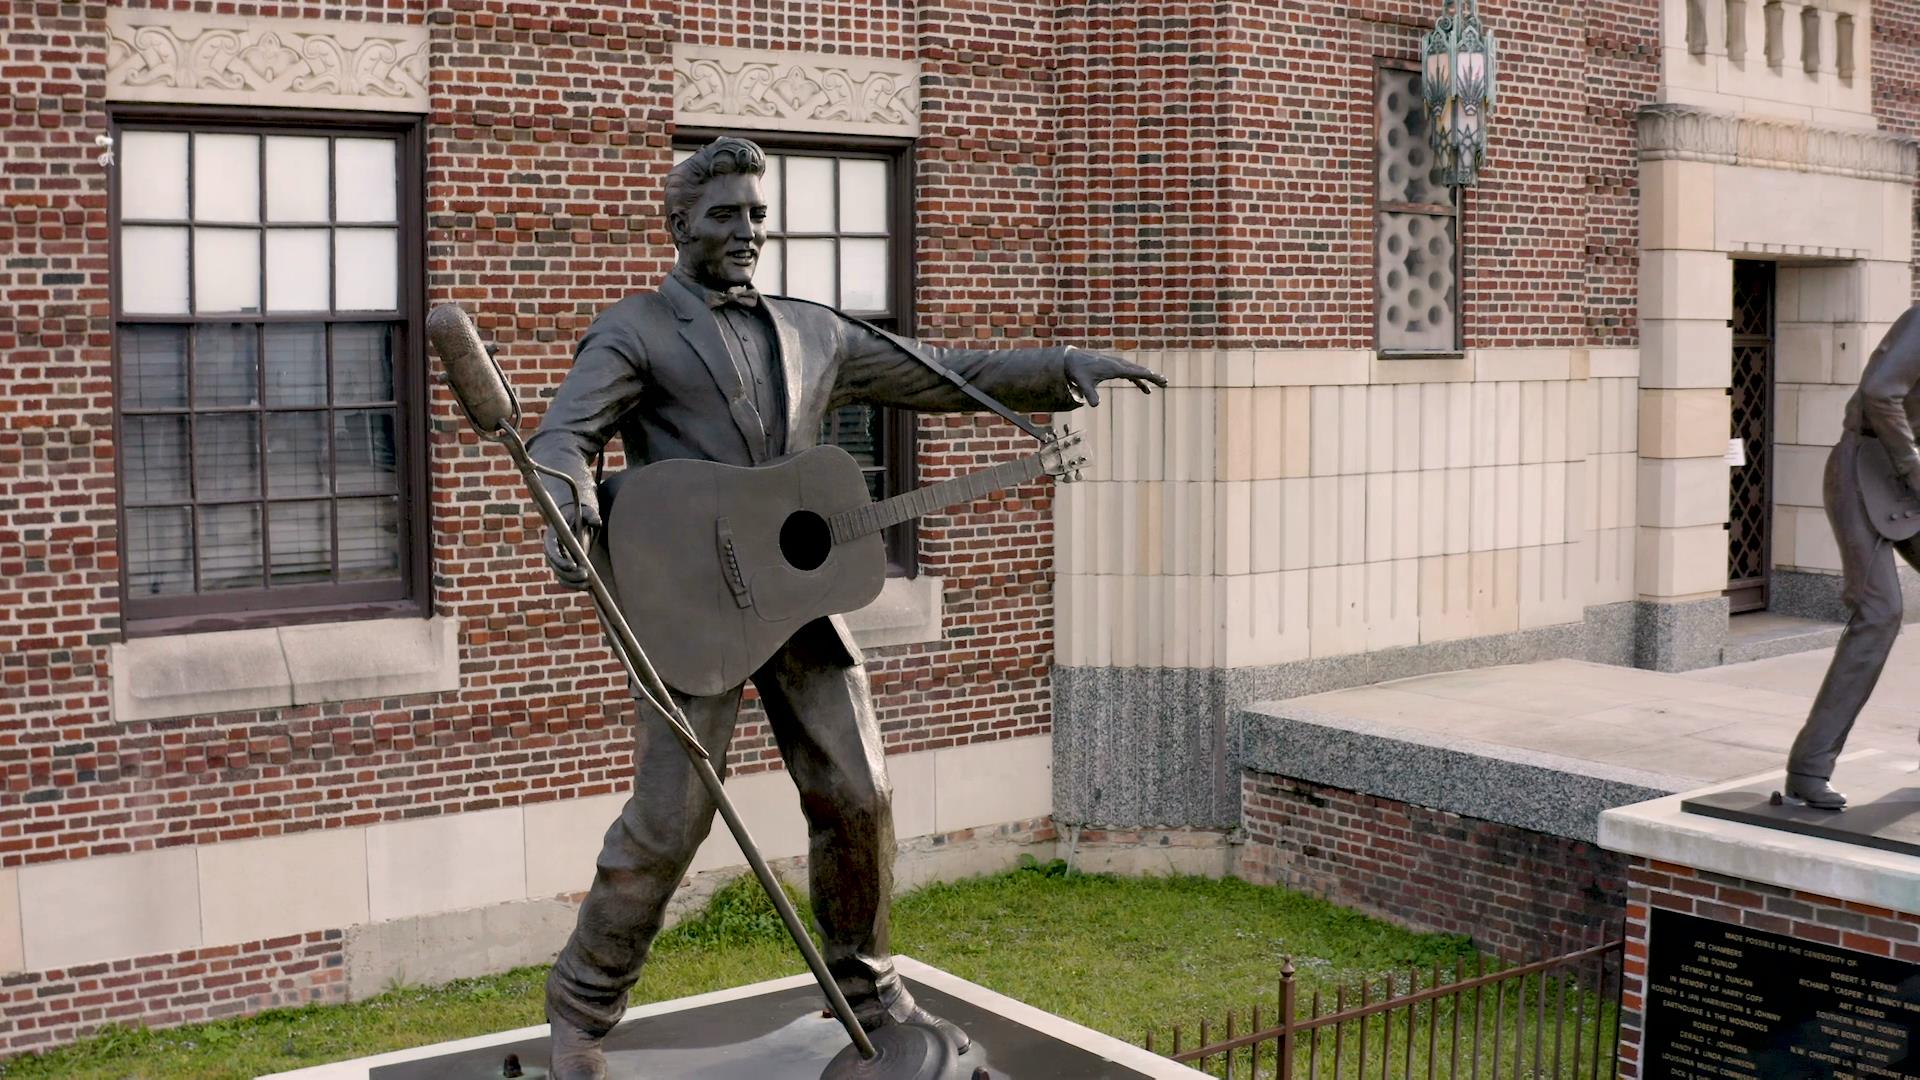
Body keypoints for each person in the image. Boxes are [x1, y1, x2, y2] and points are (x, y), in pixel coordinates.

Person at [525, 134, 1165, 1078]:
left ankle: (866, 987)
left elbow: (948, 373)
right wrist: (567, 495)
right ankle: (580, 1011)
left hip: (798, 604)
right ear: (678, 226)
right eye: (724, 215)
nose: (747, 231)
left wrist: (1063, 367)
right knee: (671, 822)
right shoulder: (635, 330)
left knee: (858, 794)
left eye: (756, 213)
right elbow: (562, 435)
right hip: (694, 609)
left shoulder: (814, 329)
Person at [1784, 306, 1920, 810]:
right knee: (1880, 613)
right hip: (1863, 469)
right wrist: (1913, 466)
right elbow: (1880, 390)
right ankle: (1808, 769)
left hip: (1907, 473)